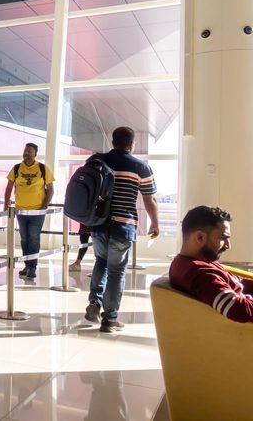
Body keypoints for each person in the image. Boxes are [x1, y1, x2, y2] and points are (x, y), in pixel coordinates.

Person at [85, 126, 159, 333]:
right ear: (131, 144)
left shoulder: (97, 160)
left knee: (101, 262)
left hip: (98, 223)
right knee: (117, 271)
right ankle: (109, 319)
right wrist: (155, 222)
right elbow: (149, 199)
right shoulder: (141, 167)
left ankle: (94, 302)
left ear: (113, 141)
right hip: (122, 225)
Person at [168, 206, 252, 322]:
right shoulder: (200, 274)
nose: (228, 245)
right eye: (223, 238)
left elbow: (238, 281)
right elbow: (240, 310)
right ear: (200, 237)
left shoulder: (200, 262)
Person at [3, 142, 54, 280]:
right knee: (25, 239)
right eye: (25, 151)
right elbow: (8, 188)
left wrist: (45, 205)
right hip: (21, 211)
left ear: (35, 154)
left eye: (29, 151)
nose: (26, 153)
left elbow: (50, 189)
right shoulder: (17, 168)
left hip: (37, 211)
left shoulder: (43, 169)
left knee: (34, 238)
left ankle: (32, 267)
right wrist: (5, 204)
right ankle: (27, 265)